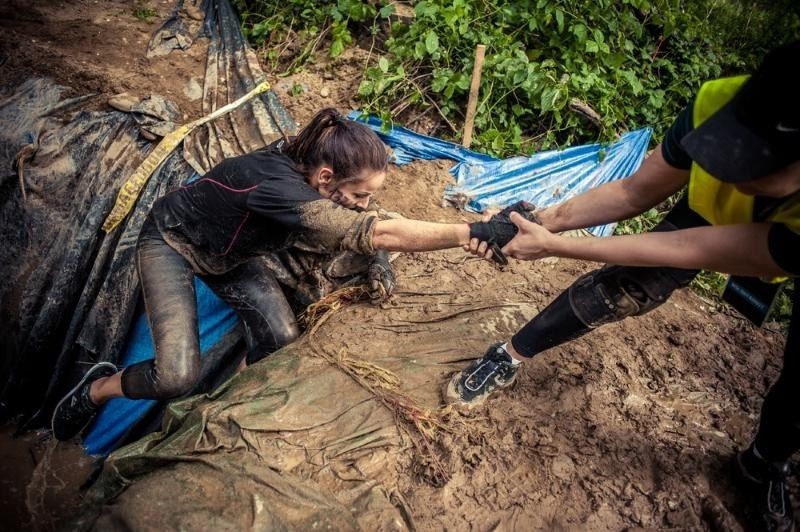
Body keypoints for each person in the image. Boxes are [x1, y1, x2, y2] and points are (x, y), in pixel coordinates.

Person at [447, 41, 800, 531]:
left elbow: (690, 252)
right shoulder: (718, 102)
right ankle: (509, 353)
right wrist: (538, 221)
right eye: (729, 152)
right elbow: (633, 191)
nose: (732, 175)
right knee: (624, 287)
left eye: (755, 166)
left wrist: (556, 247)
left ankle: (765, 463)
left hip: (781, 241)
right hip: (720, 223)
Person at [51, 107, 517, 442]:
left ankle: (218, 406)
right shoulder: (282, 190)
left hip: (234, 256)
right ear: (325, 178)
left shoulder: (307, 168)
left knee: (280, 337)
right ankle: (96, 388)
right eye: (358, 196)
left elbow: (376, 223)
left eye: (371, 196)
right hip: (173, 243)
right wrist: (470, 229)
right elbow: (377, 233)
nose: (365, 205)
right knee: (175, 376)